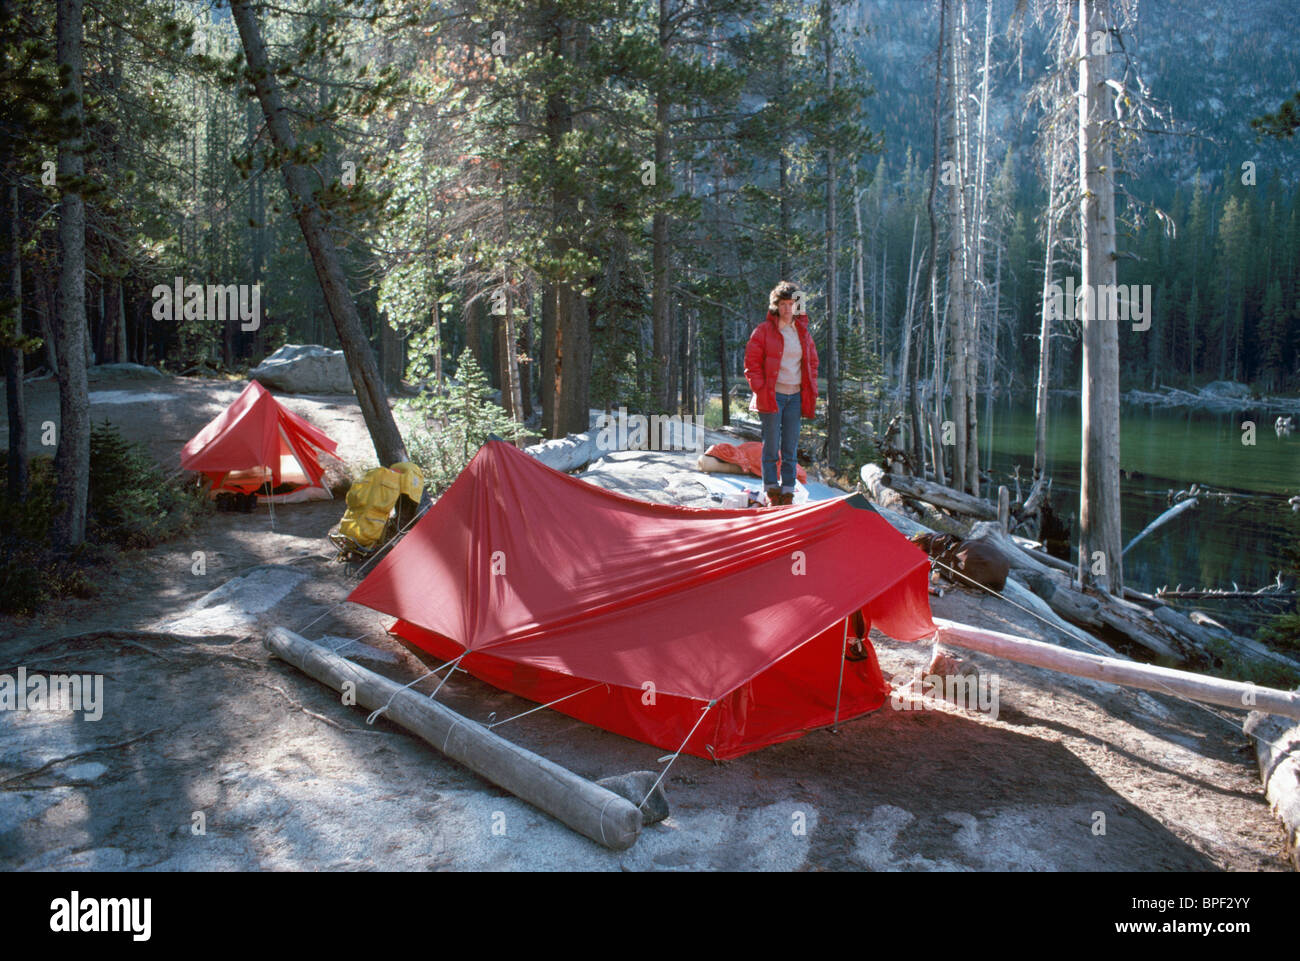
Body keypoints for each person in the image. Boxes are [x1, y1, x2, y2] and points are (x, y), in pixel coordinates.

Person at [743, 281, 818, 506]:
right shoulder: (764, 330)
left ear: (797, 306)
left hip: (795, 397)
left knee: (790, 447)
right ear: (776, 306)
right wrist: (760, 388)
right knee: (771, 445)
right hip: (772, 396)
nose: (787, 309)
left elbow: (812, 361)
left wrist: (810, 384)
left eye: (791, 304)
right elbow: (751, 362)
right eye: (783, 304)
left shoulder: (803, 332)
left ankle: (787, 491)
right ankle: (771, 489)